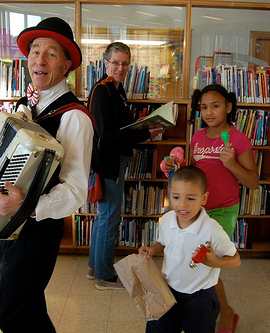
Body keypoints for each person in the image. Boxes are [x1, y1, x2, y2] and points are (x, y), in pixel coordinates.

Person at [0, 17, 94, 332]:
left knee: (11, 315)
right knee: (26, 307)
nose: (39, 60)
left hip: (37, 229)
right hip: (6, 221)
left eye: (51, 53)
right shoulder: (24, 105)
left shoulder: (74, 117)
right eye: (34, 51)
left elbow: (75, 191)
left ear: (66, 65)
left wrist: (27, 207)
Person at [165, 83, 259, 333]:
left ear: (228, 107)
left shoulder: (239, 139)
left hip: (223, 210)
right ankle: (207, 310)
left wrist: (232, 165)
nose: (209, 112)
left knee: (208, 263)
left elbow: (253, 181)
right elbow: (193, 174)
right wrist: (175, 166)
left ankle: (222, 311)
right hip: (196, 209)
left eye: (215, 106)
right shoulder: (197, 136)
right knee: (196, 263)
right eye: (204, 107)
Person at [87, 42, 164, 290]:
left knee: (103, 218)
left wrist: (143, 124)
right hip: (108, 162)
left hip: (115, 159)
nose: (120, 68)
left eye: (125, 64)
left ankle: (94, 267)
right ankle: (105, 276)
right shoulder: (102, 91)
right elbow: (108, 135)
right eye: (115, 63)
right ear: (105, 62)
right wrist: (146, 135)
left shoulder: (117, 89)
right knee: (109, 217)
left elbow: (121, 125)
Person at [139, 166, 241, 333]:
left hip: (200, 298)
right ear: (169, 193)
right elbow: (163, 244)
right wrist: (151, 250)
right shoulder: (167, 219)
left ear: (204, 198)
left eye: (191, 198)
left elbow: (236, 259)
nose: (182, 205)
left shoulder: (212, 229)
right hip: (167, 290)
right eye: (176, 197)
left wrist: (216, 262)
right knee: (156, 329)